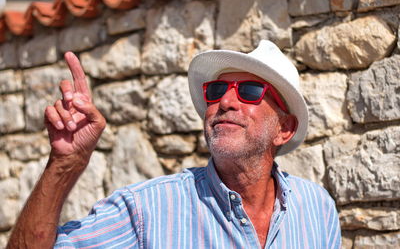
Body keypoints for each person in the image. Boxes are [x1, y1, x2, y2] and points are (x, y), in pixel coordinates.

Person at [7, 40, 341, 248]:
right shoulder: (145, 211)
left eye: (250, 91)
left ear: (285, 129)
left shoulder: (317, 208)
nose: (225, 102)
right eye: (216, 91)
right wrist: (66, 163)